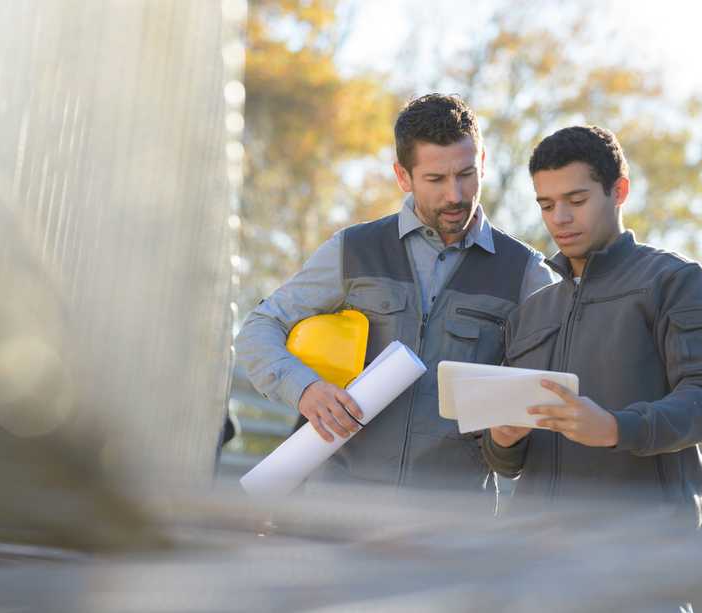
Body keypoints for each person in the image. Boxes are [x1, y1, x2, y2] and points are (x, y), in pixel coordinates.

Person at [235, 93, 555, 490]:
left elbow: (548, 396)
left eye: (466, 174)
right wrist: (305, 389)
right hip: (333, 511)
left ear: (484, 163)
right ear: (403, 176)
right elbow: (258, 328)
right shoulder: (353, 250)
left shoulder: (525, 273)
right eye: (435, 179)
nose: (455, 195)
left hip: (447, 524)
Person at [482, 126, 702, 527]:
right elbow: (507, 464)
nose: (560, 218)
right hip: (532, 561)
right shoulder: (530, 313)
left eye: (576, 200)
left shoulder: (676, 282)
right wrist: (503, 439)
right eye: (546, 205)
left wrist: (618, 428)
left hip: (636, 558)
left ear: (619, 192)